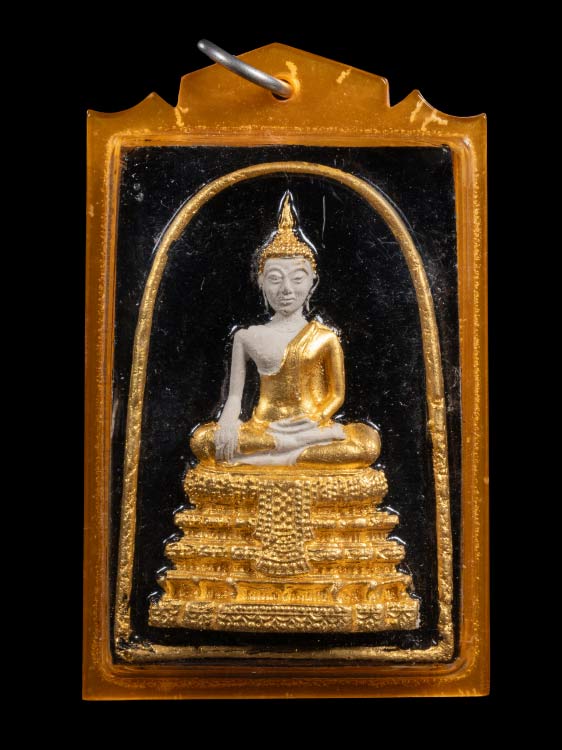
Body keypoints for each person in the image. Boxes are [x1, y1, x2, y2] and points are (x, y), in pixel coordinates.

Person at [190, 192, 381, 468]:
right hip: (263, 428)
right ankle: (289, 450)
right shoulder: (246, 337)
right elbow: (234, 397)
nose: (286, 290)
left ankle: (271, 455)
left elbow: (337, 394)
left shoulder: (325, 337)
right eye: (275, 279)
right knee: (203, 441)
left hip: (312, 427)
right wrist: (228, 423)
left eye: (297, 279)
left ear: (312, 282)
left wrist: (315, 419)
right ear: (261, 281)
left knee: (367, 444)